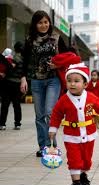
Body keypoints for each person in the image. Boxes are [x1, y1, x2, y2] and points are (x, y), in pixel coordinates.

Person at [48, 63, 99, 185]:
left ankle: (83, 175)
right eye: (69, 81)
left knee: (86, 160)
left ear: (85, 84)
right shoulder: (64, 99)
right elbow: (56, 114)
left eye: (76, 81)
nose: (72, 84)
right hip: (71, 136)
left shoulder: (90, 97)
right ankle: (76, 183)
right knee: (74, 159)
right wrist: (53, 128)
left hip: (89, 135)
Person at [20, 10, 67, 157]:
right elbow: (25, 61)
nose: (43, 25)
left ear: (49, 23)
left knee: (49, 112)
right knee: (39, 115)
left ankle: (51, 144)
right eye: (40, 22)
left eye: (46, 22)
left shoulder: (57, 38)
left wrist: (58, 65)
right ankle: (44, 146)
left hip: (53, 80)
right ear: (35, 24)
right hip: (36, 81)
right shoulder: (29, 40)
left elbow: (68, 57)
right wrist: (23, 78)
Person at [0, 42, 25, 130]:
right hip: (17, 84)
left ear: (15, 48)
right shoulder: (23, 59)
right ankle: (17, 123)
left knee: (5, 104)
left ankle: (2, 124)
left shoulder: (13, 58)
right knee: (17, 104)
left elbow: (9, 68)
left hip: (8, 83)